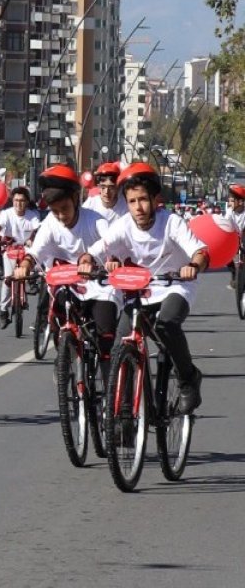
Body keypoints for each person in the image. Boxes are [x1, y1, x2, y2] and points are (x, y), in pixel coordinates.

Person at [77, 162, 208, 414]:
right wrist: (87, 262)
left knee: (167, 324)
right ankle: (125, 413)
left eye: (143, 200)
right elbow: (95, 251)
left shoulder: (171, 222)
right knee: (120, 345)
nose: (138, 207)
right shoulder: (124, 225)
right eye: (132, 201)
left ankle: (188, 379)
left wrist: (193, 266)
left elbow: (200, 252)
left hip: (175, 287)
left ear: (155, 200)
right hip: (140, 291)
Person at [13, 165, 117, 367]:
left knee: (106, 337)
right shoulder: (50, 224)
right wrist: (25, 266)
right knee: (57, 312)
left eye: (65, 209)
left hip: (97, 287)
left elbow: (110, 246)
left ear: (76, 199)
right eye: (55, 211)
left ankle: (109, 389)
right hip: (64, 286)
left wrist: (106, 262)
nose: (61, 216)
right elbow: (35, 252)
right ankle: (64, 359)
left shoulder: (96, 221)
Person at [0, 186, 41, 329]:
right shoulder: (6, 214)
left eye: (22, 200)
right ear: (12, 201)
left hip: (26, 249)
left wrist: (33, 239)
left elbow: (37, 230)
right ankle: (3, 312)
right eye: (16, 200)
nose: (19, 203)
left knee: (35, 261)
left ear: (27, 202)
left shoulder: (33, 215)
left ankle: (32, 283)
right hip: (10, 249)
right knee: (8, 279)